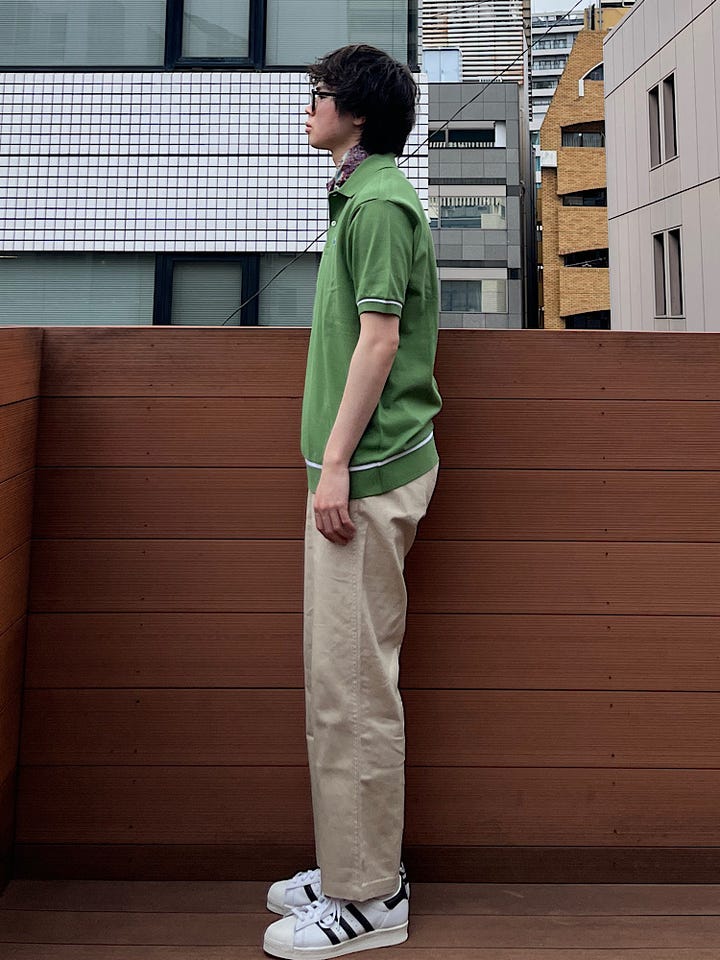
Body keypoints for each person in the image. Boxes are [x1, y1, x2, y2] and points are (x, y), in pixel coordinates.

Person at [263, 43, 442, 960]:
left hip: (366, 477)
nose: (309, 106)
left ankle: (370, 897)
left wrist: (334, 466)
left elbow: (379, 343)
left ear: (358, 113)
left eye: (320, 94)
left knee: (354, 689)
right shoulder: (364, 198)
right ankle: (351, 863)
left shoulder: (378, 205)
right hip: (356, 475)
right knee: (341, 683)